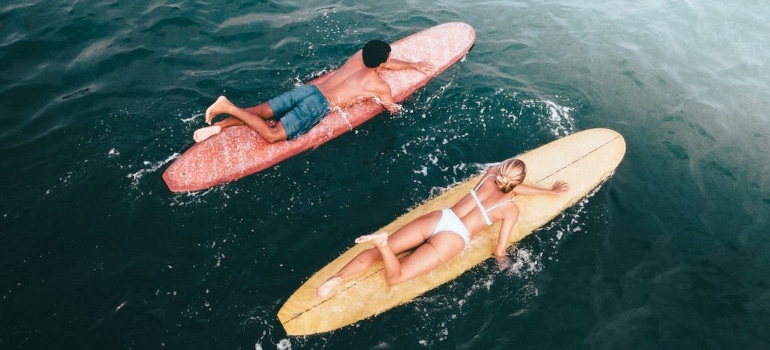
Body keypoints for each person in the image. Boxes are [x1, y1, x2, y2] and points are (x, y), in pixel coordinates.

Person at [316, 158, 569, 298]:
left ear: (502, 171)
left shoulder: (491, 173)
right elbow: (499, 250)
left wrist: (543, 189)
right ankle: (383, 246)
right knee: (396, 277)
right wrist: (505, 265)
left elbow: (508, 185)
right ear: (517, 183)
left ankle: (335, 280)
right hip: (453, 238)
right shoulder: (510, 210)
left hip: (441, 218)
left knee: (377, 252)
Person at [193, 40, 434, 143]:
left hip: (309, 91)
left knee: (261, 111)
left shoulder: (360, 55)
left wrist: (412, 65)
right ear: (382, 62)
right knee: (273, 135)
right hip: (317, 106)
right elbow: (391, 108)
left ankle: (218, 126)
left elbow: (384, 63)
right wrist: (407, 100)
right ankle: (227, 106)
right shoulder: (379, 85)